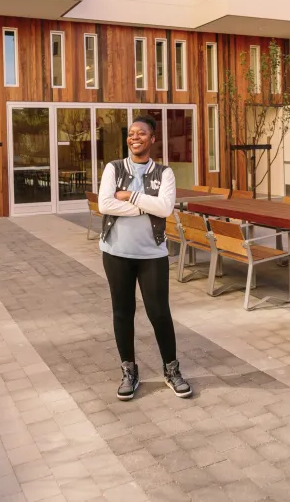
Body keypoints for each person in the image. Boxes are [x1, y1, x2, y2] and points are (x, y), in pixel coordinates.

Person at [98, 115, 192, 401]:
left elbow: (165, 208)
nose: (135, 136)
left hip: (152, 254)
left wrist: (130, 196)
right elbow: (105, 204)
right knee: (122, 313)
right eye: (132, 133)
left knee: (159, 313)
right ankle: (129, 371)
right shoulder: (113, 168)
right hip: (116, 253)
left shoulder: (165, 173)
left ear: (152, 140)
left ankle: (171, 369)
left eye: (142, 133)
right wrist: (143, 207)